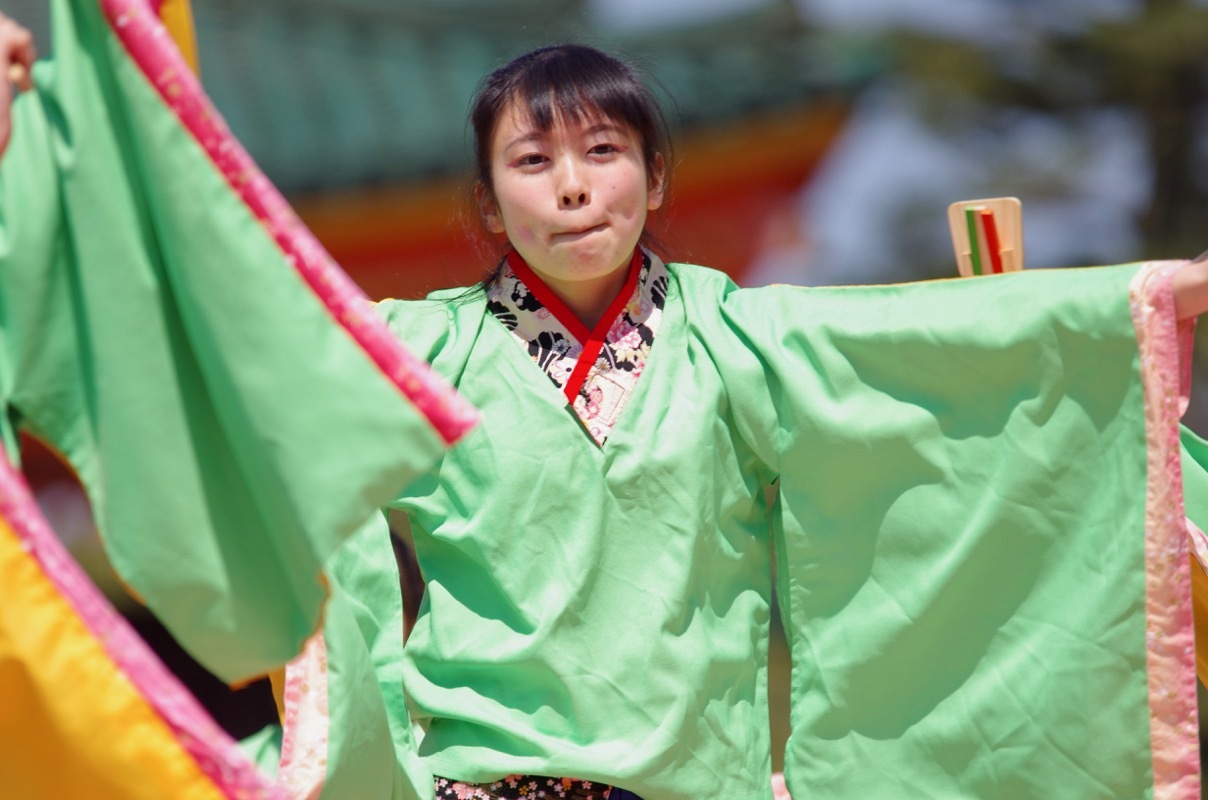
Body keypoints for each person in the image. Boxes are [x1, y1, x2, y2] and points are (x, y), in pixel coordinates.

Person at [4, 8, 1208, 800]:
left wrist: (1148, 297)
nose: (572, 190)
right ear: (487, 203)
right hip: (480, 787)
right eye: (531, 164)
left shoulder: (741, 333)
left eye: (602, 154)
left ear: (654, 175)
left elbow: (928, 347)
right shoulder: (419, 352)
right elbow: (241, 352)